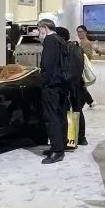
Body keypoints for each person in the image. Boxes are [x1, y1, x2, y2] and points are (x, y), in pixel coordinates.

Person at [37, 19, 69, 164]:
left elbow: (47, 65)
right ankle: (60, 145)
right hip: (62, 84)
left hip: (51, 85)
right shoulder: (60, 40)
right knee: (60, 115)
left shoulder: (50, 40)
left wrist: (44, 81)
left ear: (44, 28)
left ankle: (57, 150)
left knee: (51, 117)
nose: (39, 34)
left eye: (39, 30)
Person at [57, 27, 88, 144]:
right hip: (78, 83)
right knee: (77, 110)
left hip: (68, 84)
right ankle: (81, 137)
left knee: (66, 111)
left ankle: (70, 139)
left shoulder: (64, 49)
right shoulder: (77, 48)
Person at [75, 25, 96, 108]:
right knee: (81, 86)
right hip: (79, 66)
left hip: (82, 67)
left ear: (85, 32)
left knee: (81, 86)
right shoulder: (81, 42)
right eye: (78, 32)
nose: (79, 33)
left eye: (81, 32)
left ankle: (88, 102)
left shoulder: (87, 43)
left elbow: (87, 56)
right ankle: (90, 101)